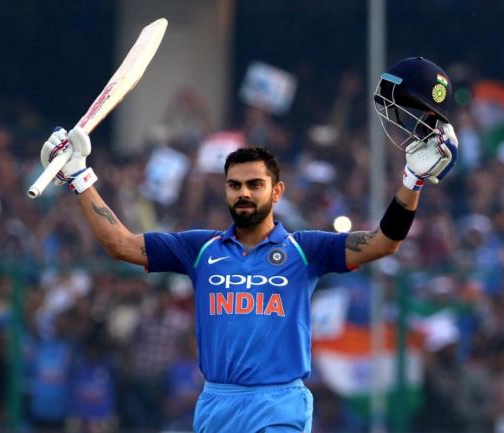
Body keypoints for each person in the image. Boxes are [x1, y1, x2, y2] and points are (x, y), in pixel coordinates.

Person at [38, 57, 458, 433]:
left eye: (255, 184)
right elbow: (121, 244)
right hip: (217, 403)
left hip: (279, 402)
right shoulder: (200, 249)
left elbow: (384, 242)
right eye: (235, 185)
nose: (244, 193)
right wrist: (79, 177)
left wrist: (412, 181)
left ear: (277, 191)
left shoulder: (304, 250)